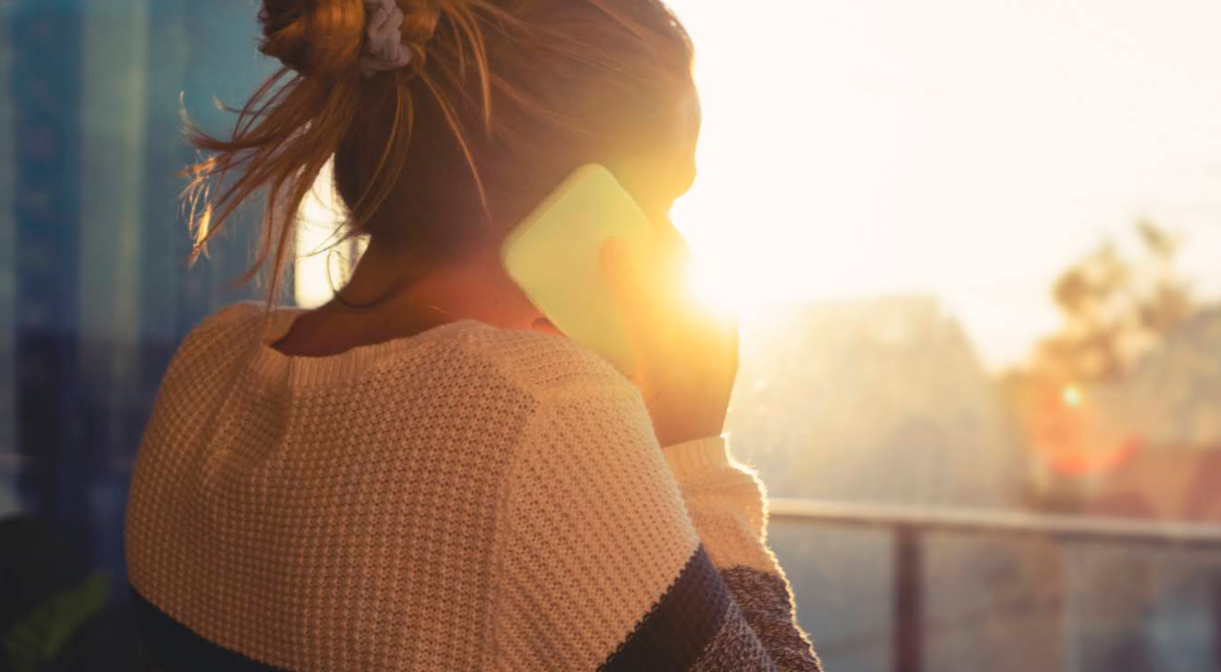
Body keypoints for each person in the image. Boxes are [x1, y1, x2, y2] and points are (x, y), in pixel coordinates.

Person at [122, 0, 822, 669]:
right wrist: (692, 447)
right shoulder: (545, 413)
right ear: (582, 203)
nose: (670, 243)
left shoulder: (206, 365)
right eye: (658, 202)